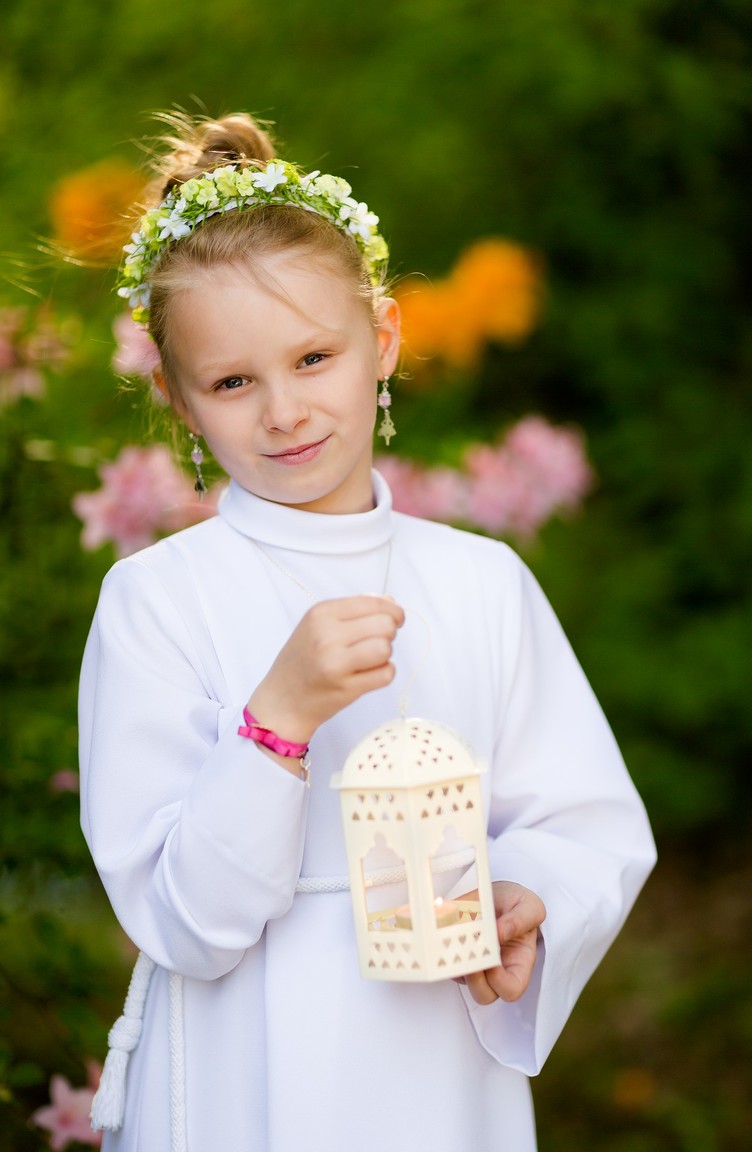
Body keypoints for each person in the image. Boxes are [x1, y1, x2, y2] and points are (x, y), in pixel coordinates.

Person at [79, 112, 656, 1152]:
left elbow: (587, 824)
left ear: (381, 340)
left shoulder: (482, 583)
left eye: (313, 357)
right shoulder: (157, 600)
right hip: (237, 1069)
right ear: (177, 399)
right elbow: (180, 925)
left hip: (436, 1065)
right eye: (234, 381)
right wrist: (277, 720)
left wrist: (531, 901)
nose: (285, 410)